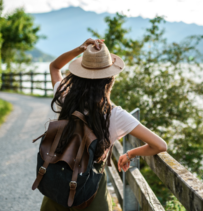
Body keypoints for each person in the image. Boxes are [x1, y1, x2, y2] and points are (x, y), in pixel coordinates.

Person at [41, 38, 167, 211]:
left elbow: (54, 66)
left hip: (59, 182)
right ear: (110, 80)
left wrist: (81, 49)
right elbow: (159, 145)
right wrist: (130, 154)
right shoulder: (115, 115)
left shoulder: (65, 97)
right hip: (90, 190)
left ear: (78, 75)